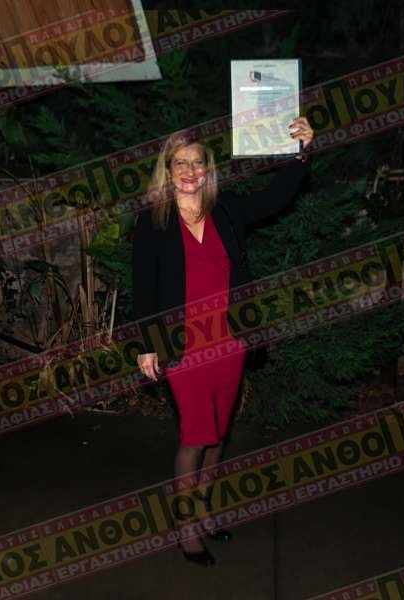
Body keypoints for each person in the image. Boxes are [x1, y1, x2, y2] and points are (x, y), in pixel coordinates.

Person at [131, 117, 314, 565]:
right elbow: (143, 287)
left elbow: (276, 197)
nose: (189, 170)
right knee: (195, 436)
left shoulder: (226, 209)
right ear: (167, 169)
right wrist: (146, 345)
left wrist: (300, 153)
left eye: (197, 162)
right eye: (180, 163)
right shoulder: (153, 221)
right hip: (182, 347)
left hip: (228, 342)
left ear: (207, 168)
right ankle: (186, 529)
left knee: (217, 434)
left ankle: (206, 513)